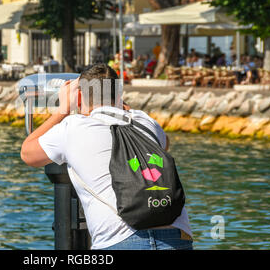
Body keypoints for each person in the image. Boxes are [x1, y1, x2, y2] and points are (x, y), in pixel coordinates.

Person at [21, 64, 193, 250]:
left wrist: (63, 109)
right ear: (118, 95)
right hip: (177, 237)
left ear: (79, 96)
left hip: (119, 241)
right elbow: (163, 143)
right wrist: (118, 104)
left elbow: (28, 154)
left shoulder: (73, 128)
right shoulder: (145, 121)